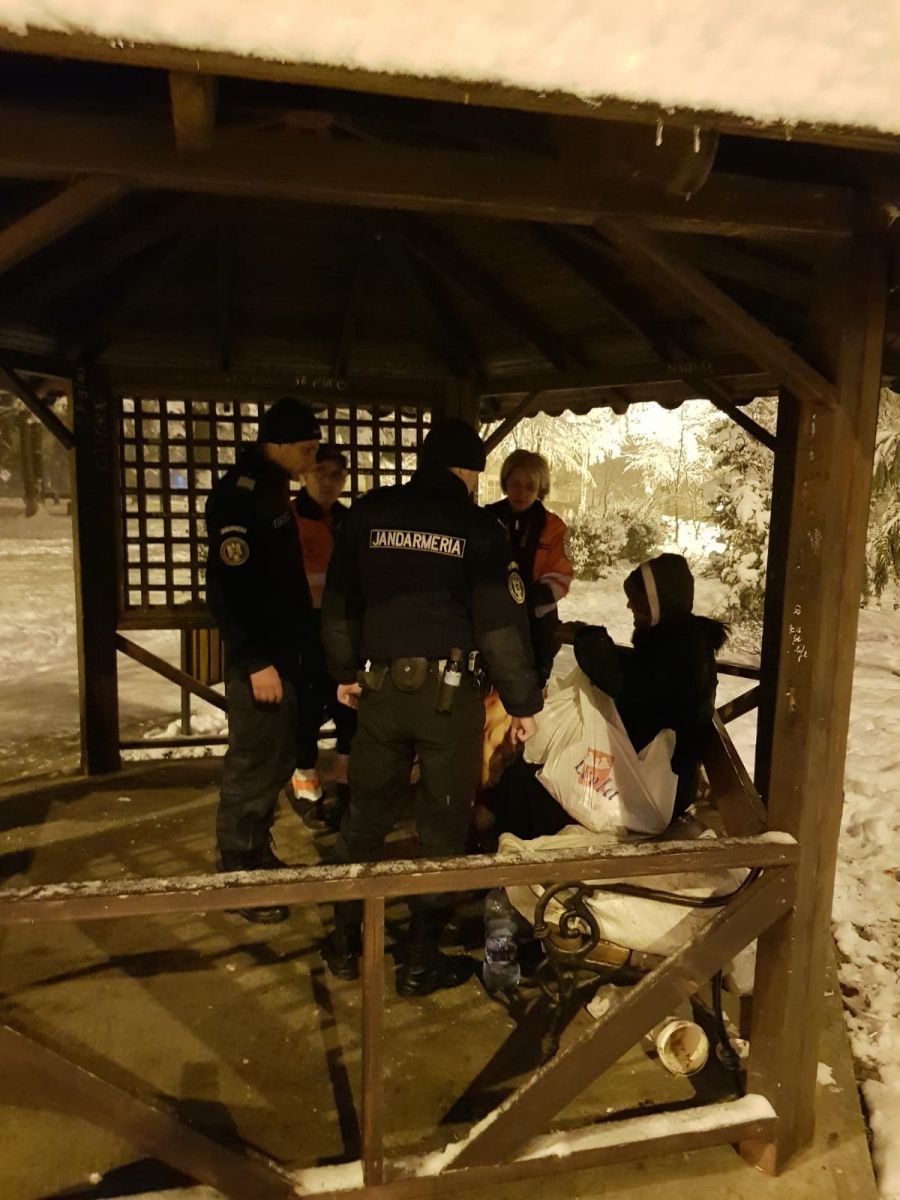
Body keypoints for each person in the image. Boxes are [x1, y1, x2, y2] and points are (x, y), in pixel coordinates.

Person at [320, 418, 543, 996]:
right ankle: (419, 959)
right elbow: (500, 624)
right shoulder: (479, 528)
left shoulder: (369, 514)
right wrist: (521, 701)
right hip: (449, 699)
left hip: (380, 693)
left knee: (365, 816)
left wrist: (342, 671)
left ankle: (343, 942)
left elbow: (339, 602)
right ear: (466, 472)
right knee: (441, 825)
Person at [205, 397, 320, 923]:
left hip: (281, 653)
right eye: (306, 449)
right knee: (253, 762)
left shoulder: (272, 490)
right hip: (260, 659)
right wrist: (254, 661)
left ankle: (255, 850)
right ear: (275, 443)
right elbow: (229, 588)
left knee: (275, 758)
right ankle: (238, 871)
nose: (312, 460)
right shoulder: (240, 495)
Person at [573, 552, 728, 820]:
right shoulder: (680, 640)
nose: (629, 605)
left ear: (657, 601)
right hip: (667, 778)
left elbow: (627, 683)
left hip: (658, 789)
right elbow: (641, 674)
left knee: (536, 788)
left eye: (636, 599)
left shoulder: (678, 648)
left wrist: (586, 639)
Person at [290, 445, 356, 817]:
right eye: (321, 472)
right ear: (304, 474)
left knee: (350, 708)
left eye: (337, 475)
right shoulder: (288, 519)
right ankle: (304, 784)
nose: (329, 482)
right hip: (304, 631)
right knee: (306, 709)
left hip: (345, 629)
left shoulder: (350, 521)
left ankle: (346, 780)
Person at [486, 449, 573, 685]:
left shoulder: (554, 527)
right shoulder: (486, 519)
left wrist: (524, 601)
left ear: (540, 488)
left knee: (530, 691)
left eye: (530, 486)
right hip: (490, 620)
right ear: (505, 483)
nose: (521, 493)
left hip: (537, 626)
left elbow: (561, 577)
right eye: (515, 484)